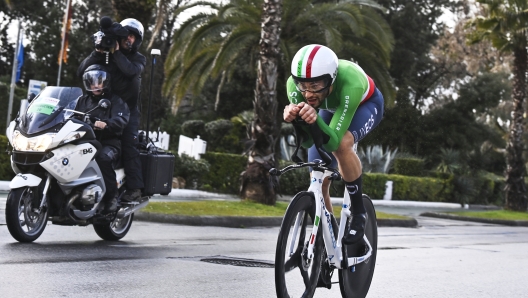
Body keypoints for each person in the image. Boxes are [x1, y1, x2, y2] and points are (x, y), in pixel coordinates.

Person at [283, 44, 384, 245]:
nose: (309, 94)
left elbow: (333, 142)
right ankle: (329, 240)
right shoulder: (294, 87)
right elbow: (310, 141)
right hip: (329, 107)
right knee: (318, 176)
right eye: (303, 85)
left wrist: (313, 119)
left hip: (364, 104)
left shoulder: (350, 82)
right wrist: (295, 119)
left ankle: (358, 212)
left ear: (331, 80)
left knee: (342, 145)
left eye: (315, 86)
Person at [77, 18, 147, 202]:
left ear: (137, 40)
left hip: (128, 111)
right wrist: (97, 52)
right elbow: (82, 72)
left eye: (132, 36)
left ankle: (135, 189)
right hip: (102, 107)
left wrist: (115, 52)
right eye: (126, 35)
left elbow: (131, 71)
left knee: (129, 145)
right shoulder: (105, 55)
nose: (128, 39)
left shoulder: (138, 58)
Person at [77, 64, 130, 213]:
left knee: (103, 158)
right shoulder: (82, 100)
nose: (95, 84)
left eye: (98, 81)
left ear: (105, 82)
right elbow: (71, 114)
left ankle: (111, 197)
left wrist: (106, 124)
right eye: (91, 81)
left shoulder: (115, 101)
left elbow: (122, 120)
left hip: (108, 142)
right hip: (85, 141)